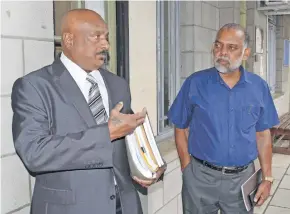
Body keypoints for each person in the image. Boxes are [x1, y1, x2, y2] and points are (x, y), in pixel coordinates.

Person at [11, 9, 164, 214]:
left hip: (124, 206)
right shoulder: (35, 86)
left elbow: (127, 143)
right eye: (96, 36)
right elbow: (35, 153)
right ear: (69, 39)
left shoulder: (118, 85)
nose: (106, 45)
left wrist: (149, 166)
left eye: (107, 37)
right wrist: (106, 134)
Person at [167, 23, 279, 214]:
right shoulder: (195, 83)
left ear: (246, 53)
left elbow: (263, 134)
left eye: (232, 47)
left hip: (242, 179)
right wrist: (187, 169)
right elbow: (180, 128)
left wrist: (267, 177)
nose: (222, 52)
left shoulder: (258, 87)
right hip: (200, 178)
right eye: (218, 46)